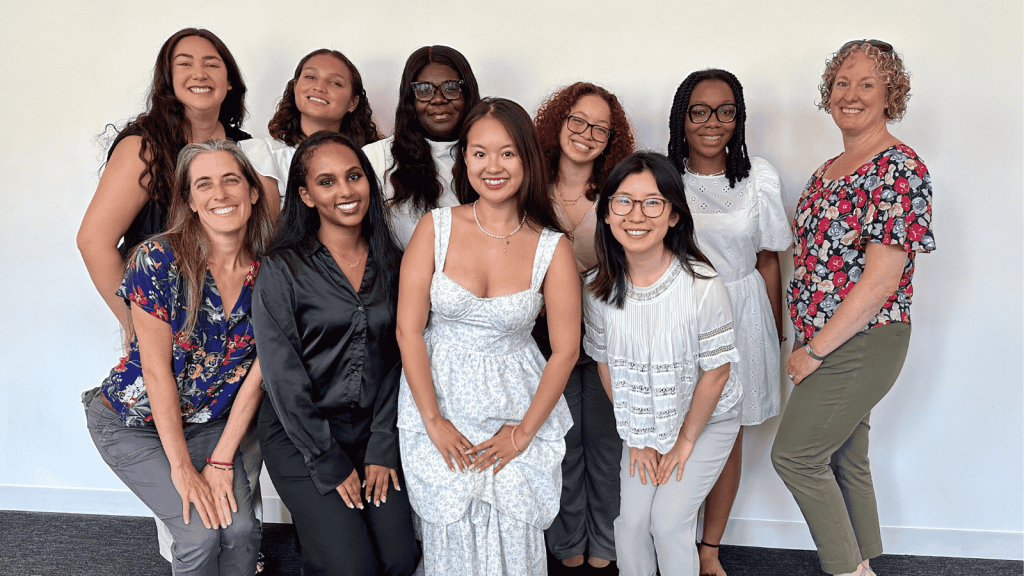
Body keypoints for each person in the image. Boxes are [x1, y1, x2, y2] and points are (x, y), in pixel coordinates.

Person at [74, 27, 265, 567]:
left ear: (230, 80)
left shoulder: (245, 155)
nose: (199, 73)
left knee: (231, 516)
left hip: (223, 335)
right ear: (167, 77)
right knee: (193, 525)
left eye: (212, 62)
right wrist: (137, 318)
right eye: (185, 63)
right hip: (165, 309)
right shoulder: (146, 146)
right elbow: (94, 240)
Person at [770, 40, 935, 576]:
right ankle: (865, 564)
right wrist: (805, 335)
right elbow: (815, 261)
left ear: (891, 93)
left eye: (867, 83)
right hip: (826, 336)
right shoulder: (828, 170)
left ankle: (847, 570)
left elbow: (882, 280)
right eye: (842, 82)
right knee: (845, 457)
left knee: (794, 457)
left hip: (863, 339)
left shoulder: (900, 168)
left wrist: (815, 350)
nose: (851, 94)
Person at [395, 98, 579, 575]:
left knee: (515, 536)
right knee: (449, 536)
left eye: (507, 153)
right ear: (464, 160)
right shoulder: (434, 228)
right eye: (479, 153)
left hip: (517, 406)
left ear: (527, 160)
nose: (492, 166)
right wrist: (432, 420)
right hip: (439, 400)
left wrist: (521, 435)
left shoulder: (551, 247)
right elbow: (408, 330)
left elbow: (565, 350)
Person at [252, 131, 417, 575]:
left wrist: (382, 446)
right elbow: (282, 378)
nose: (345, 191)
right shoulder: (280, 267)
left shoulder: (396, 262)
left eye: (354, 176)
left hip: (372, 429)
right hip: (301, 437)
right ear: (305, 195)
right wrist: (327, 459)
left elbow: (401, 359)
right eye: (327, 182)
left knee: (400, 558)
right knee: (353, 568)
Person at [583, 152, 741, 576]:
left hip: (704, 421)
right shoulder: (596, 289)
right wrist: (638, 434)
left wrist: (684, 441)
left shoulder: (702, 284)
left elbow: (718, 372)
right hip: (643, 423)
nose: (637, 215)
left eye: (653, 202)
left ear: (673, 216)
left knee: (668, 523)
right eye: (624, 201)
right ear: (608, 214)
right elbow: (605, 365)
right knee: (632, 522)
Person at [666, 69, 793, 576]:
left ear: (738, 119)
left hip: (744, 314)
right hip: (680, 313)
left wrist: (777, 332)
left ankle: (709, 549)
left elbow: (768, 261)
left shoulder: (758, 176)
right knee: (674, 428)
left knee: (726, 434)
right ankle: (670, 539)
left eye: (725, 111)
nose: (712, 122)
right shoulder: (664, 177)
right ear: (682, 118)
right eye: (699, 110)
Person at [532, 82, 635, 572]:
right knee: (560, 448)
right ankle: (568, 551)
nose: (587, 134)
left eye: (600, 128)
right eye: (578, 120)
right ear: (559, 122)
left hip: (605, 341)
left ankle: (606, 554)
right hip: (539, 342)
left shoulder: (620, 192)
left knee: (606, 448)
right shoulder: (529, 186)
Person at [362, 45, 481, 248]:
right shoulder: (376, 157)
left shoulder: (489, 157)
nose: (438, 99)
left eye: (450, 87)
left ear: (467, 93)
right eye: (424, 90)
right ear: (410, 99)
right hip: (400, 276)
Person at [240, 48, 381, 213]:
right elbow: (266, 233)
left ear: (353, 102)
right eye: (310, 77)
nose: (320, 87)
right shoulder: (263, 155)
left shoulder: (374, 157)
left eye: (335, 82)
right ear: (295, 87)